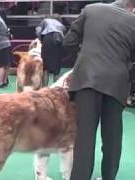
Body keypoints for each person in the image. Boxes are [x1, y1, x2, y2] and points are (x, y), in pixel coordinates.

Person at [63, 0, 135, 179]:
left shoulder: (90, 9)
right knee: (112, 138)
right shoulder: (133, 21)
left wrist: (82, 58)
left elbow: (69, 41)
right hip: (117, 83)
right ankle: (109, 177)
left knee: (84, 139)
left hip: (86, 78)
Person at [36, 14, 66, 86]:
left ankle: (44, 88)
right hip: (58, 40)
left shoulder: (45, 21)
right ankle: (56, 88)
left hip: (47, 39)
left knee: (45, 67)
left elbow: (38, 31)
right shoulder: (61, 25)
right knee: (56, 67)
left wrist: (41, 39)